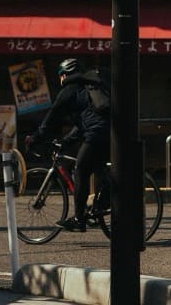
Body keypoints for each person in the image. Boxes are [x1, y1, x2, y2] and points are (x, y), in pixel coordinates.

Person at [25, 58, 109, 232]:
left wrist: (35, 138)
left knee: (81, 170)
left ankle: (79, 219)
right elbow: (82, 125)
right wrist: (65, 142)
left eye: (60, 76)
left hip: (97, 134)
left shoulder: (69, 90)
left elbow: (51, 118)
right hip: (108, 132)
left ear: (65, 75)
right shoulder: (88, 88)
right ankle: (100, 205)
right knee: (97, 168)